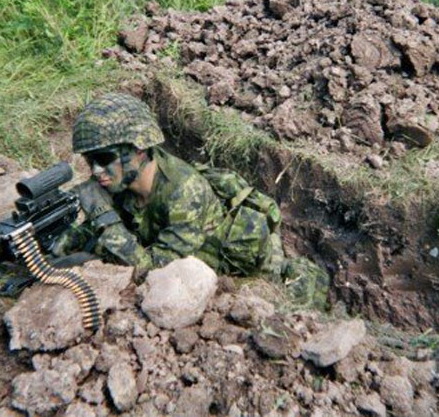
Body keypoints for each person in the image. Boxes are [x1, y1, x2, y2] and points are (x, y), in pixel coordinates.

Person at [52, 93, 327, 305]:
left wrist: (103, 218)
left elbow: (151, 270)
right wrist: (56, 244)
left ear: (138, 151)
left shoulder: (185, 192)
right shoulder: (124, 178)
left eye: (104, 159)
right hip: (173, 244)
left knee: (284, 286)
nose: (96, 171)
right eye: (90, 161)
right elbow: (99, 228)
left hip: (245, 263)